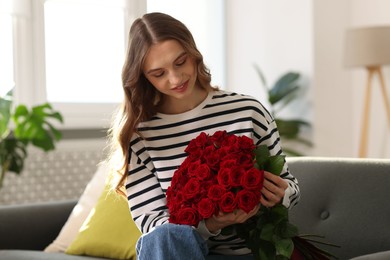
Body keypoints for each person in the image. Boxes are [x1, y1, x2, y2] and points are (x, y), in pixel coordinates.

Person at [108, 12, 300, 260]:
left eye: (180, 62)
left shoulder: (247, 111)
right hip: (188, 254)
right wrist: (210, 225)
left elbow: (290, 186)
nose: (175, 79)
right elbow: (154, 225)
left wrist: (282, 194)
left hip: (253, 253)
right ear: (143, 77)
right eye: (159, 74)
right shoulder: (141, 136)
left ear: (194, 53)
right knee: (164, 237)